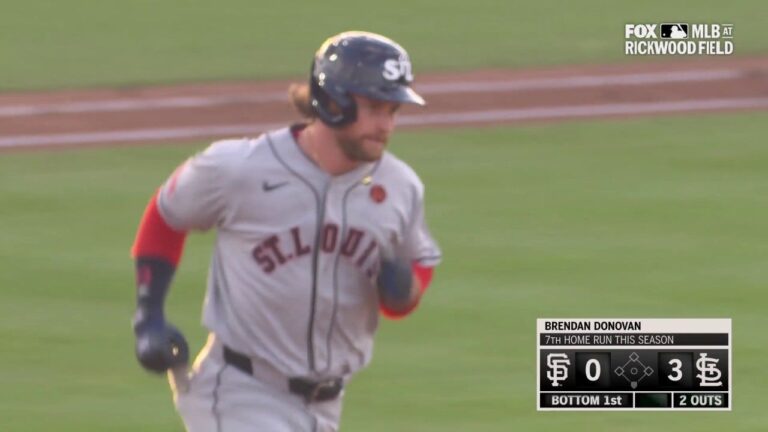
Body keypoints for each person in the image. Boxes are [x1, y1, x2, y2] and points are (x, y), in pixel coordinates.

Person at [130, 30, 442, 432]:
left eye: (393, 111)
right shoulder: (240, 168)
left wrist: (405, 291)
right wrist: (148, 316)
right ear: (334, 102)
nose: (386, 125)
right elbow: (166, 214)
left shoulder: (401, 187)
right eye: (374, 108)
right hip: (239, 393)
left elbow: (414, 275)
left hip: (326, 407)